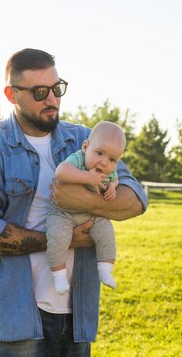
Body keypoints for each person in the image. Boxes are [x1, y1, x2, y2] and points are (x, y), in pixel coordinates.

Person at [0, 48, 147, 357]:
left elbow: (135, 199)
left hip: (76, 316)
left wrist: (78, 200)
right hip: (15, 318)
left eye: (58, 88)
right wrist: (60, 239)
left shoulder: (85, 141)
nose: (53, 100)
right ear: (11, 95)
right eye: (40, 91)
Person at [46, 121, 126, 295]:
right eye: (99, 153)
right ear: (85, 147)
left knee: (106, 233)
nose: (104, 162)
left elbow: (115, 178)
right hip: (62, 213)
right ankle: (58, 275)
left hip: (90, 215)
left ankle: (105, 270)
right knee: (57, 236)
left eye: (112, 159)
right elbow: (61, 172)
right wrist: (87, 177)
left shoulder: (108, 170)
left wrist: (112, 187)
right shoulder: (78, 159)